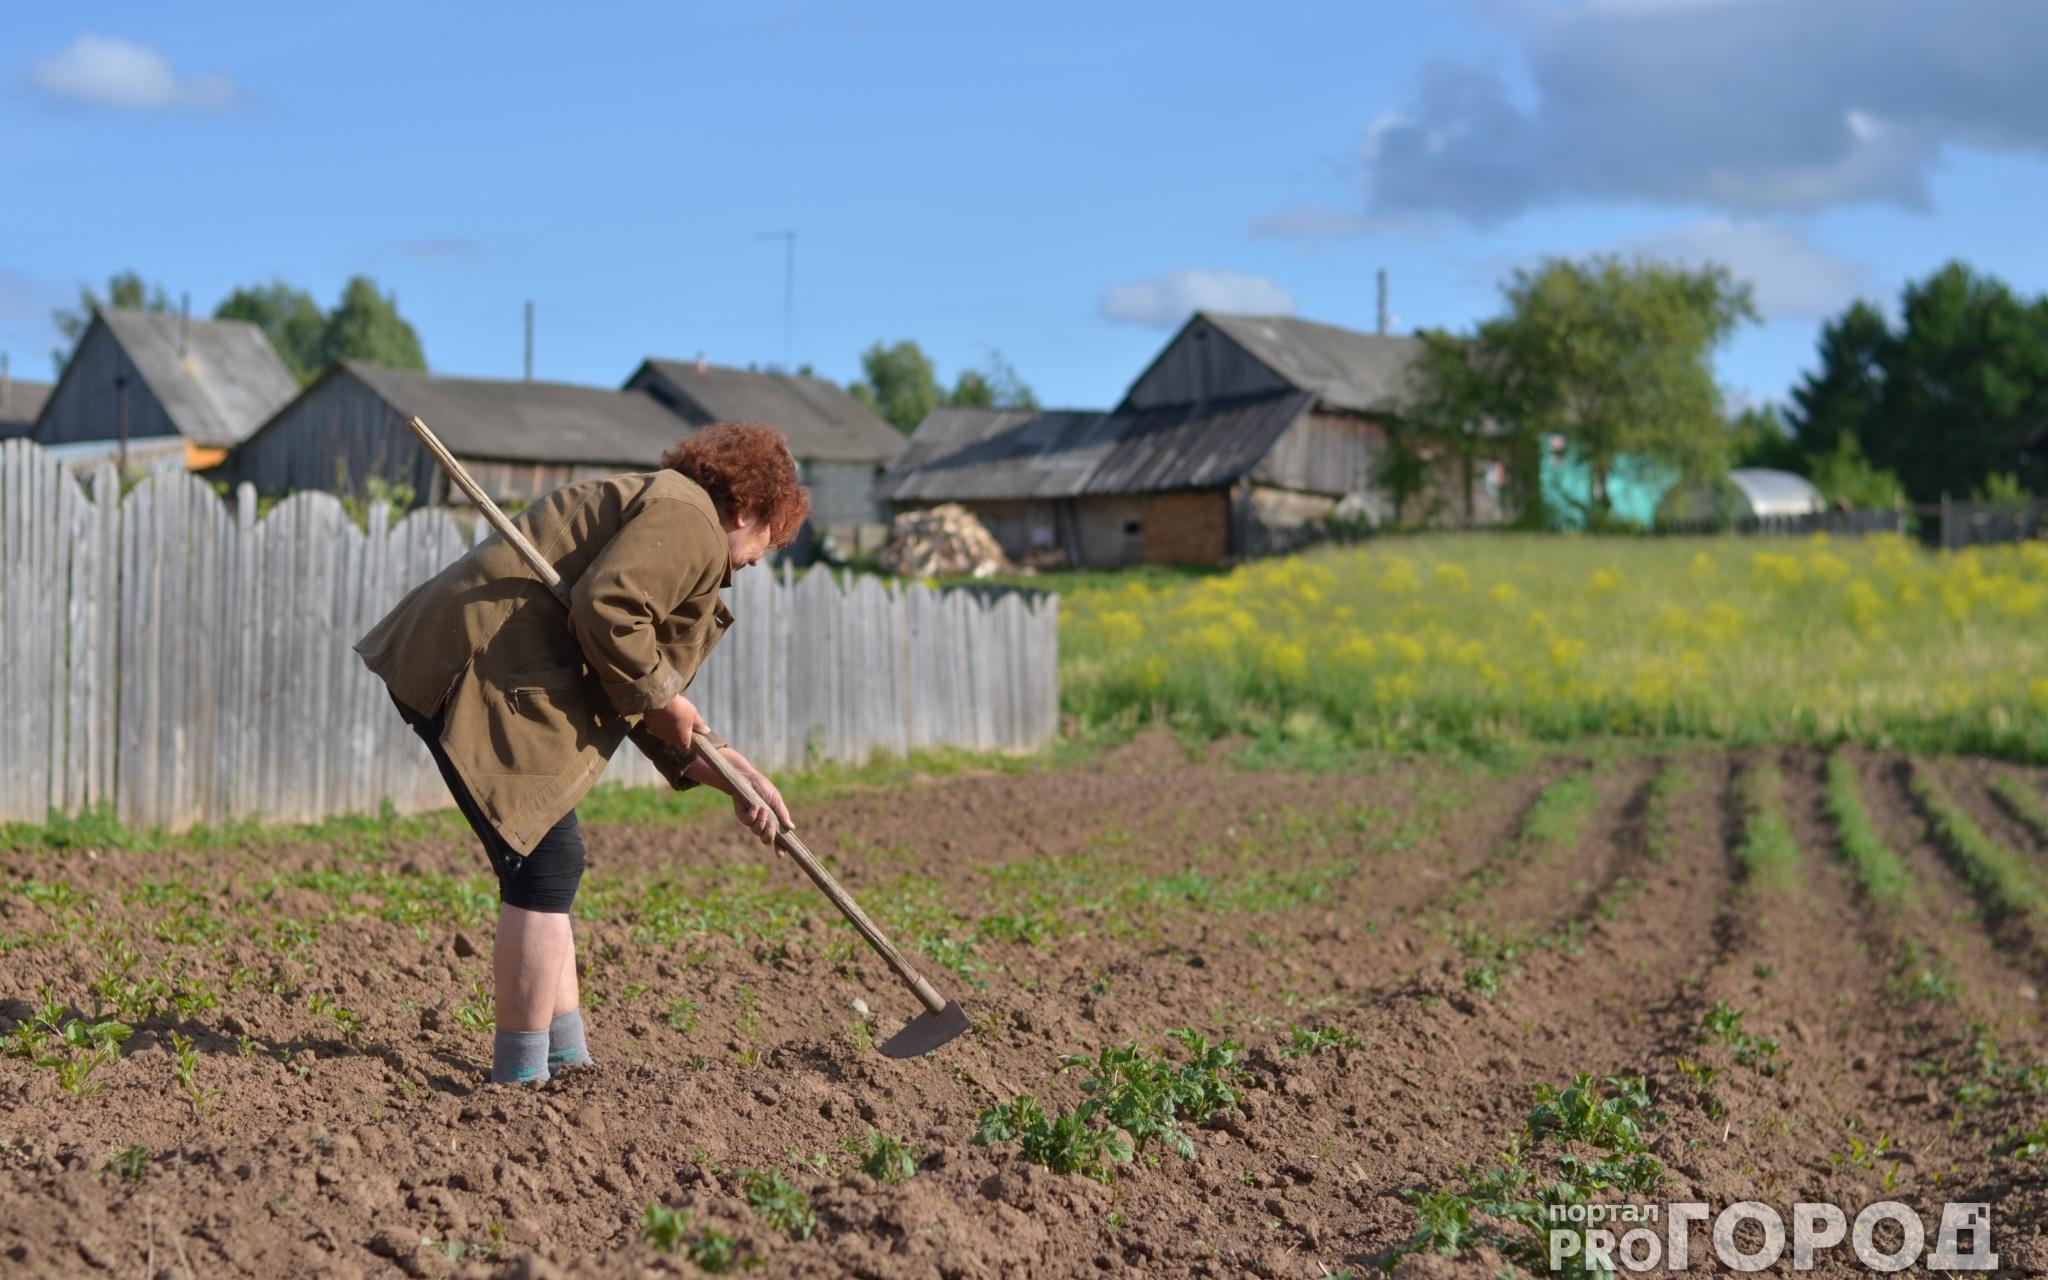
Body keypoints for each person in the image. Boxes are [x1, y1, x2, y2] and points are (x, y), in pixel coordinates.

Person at [355, 421, 807, 1085]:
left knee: (547, 865)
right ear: (746, 508)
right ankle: (519, 1080)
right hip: (476, 669)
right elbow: (609, 611)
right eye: (771, 536)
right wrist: (666, 699)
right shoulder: (690, 519)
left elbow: (628, 668)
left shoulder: (675, 514)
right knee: (545, 868)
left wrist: (723, 771)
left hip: (480, 666)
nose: (761, 558)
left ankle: (566, 1062)